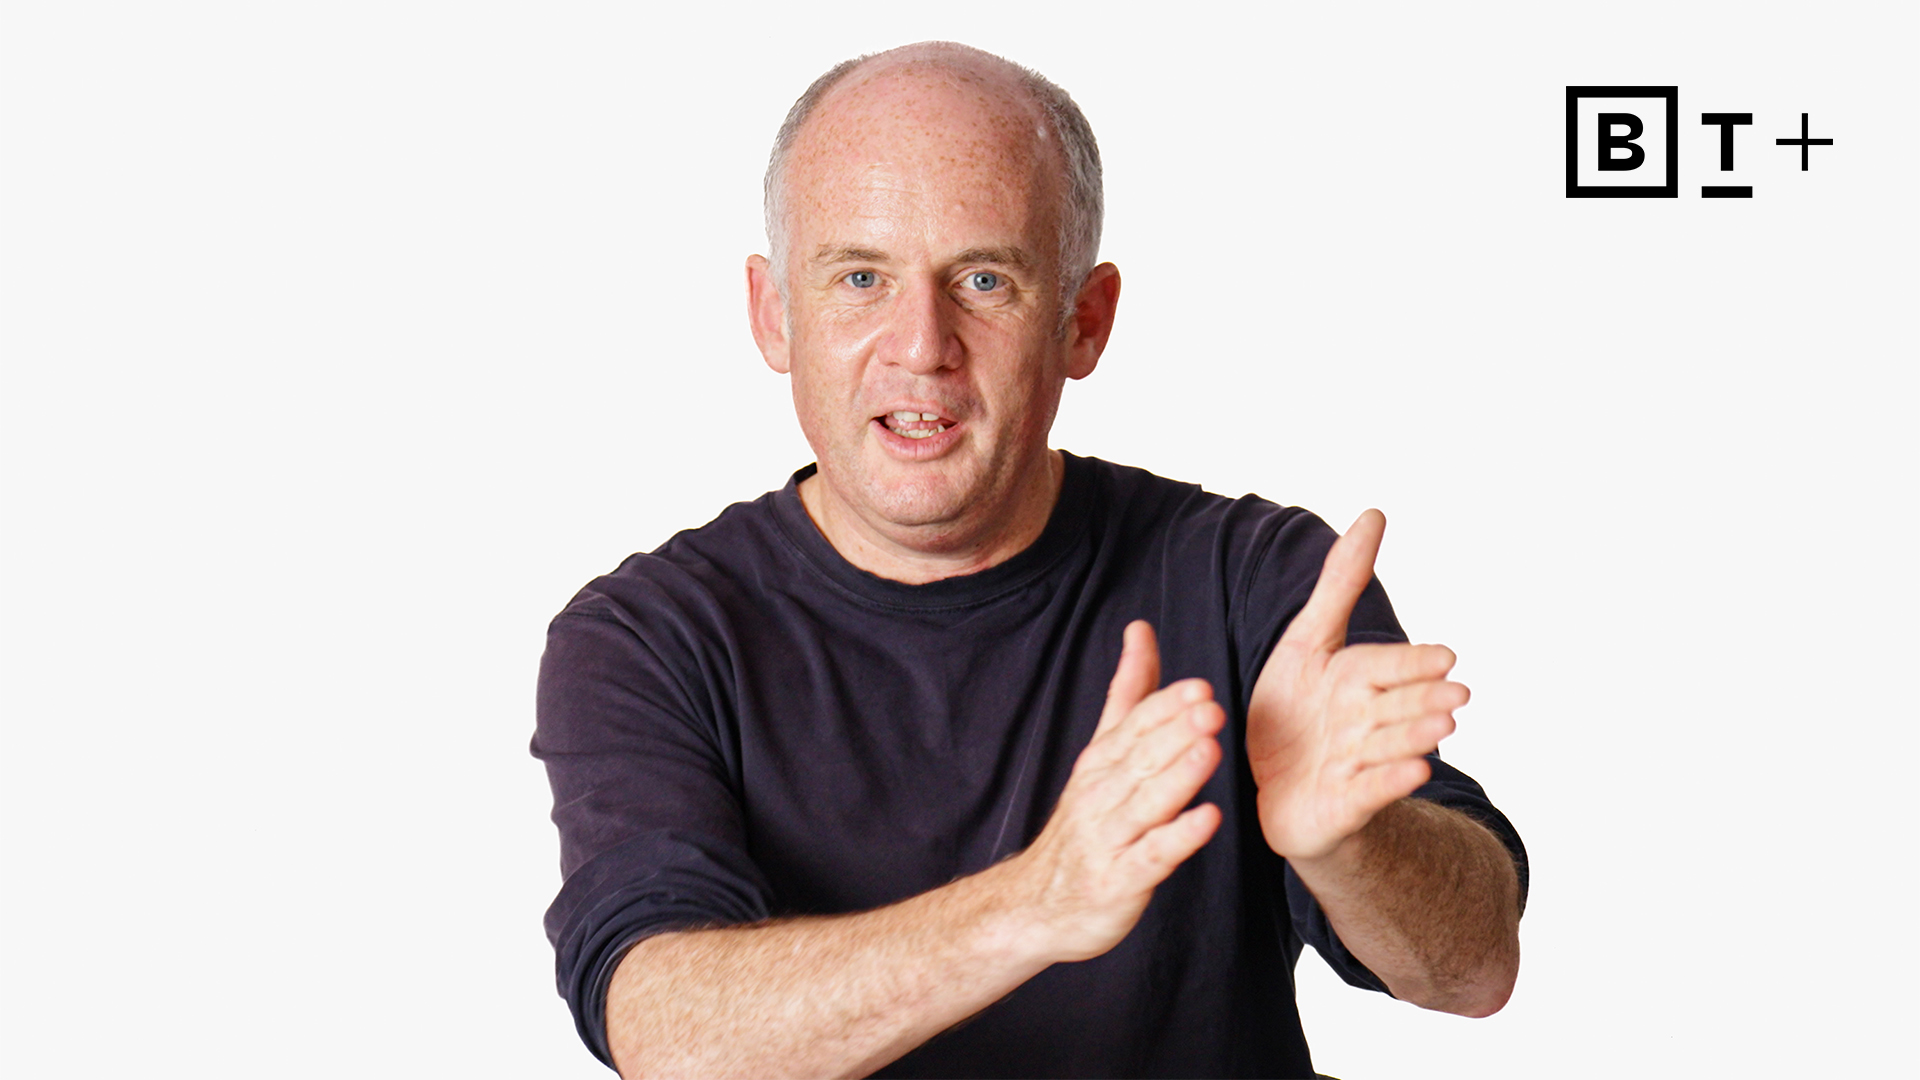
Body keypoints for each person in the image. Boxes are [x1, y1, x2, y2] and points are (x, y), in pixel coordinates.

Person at [533, 41, 1526, 1079]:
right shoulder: (649, 637)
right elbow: (669, 1034)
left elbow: (1474, 970)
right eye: (861, 277)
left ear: (1082, 322)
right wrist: (1038, 902)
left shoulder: (1254, 580)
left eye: (984, 279)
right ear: (773, 314)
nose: (922, 344)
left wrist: (1351, 844)